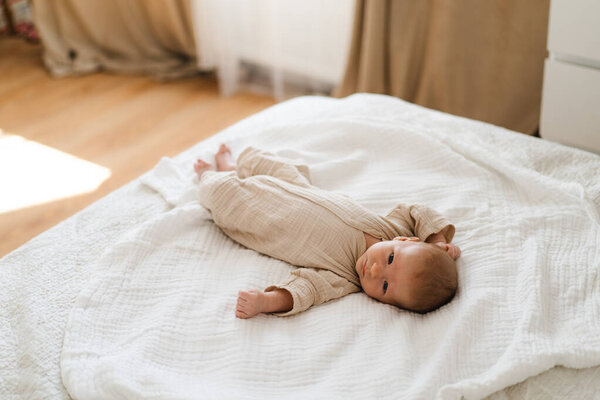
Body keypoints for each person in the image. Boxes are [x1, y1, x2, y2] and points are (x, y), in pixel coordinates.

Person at [194, 144, 461, 319]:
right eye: (391, 259)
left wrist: (266, 301)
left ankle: (211, 175)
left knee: (220, 194)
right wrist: (436, 241)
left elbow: (306, 289)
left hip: (262, 216)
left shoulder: (344, 278)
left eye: (385, 286)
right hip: (298, 188)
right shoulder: (394, 227)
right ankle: (231, 167)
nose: (376, 271)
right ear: (405, 240)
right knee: (268, 162)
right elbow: (417, 210)